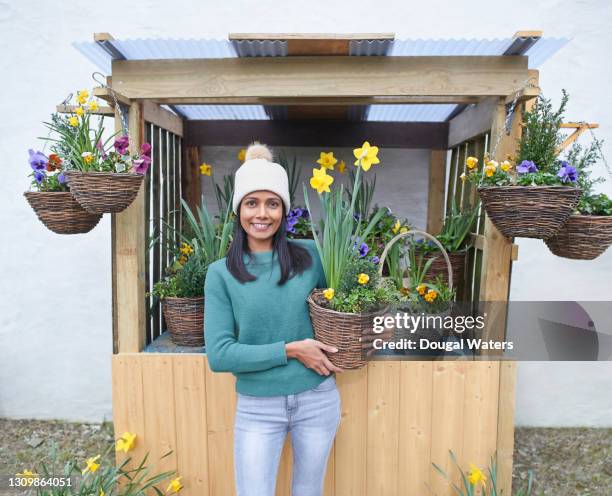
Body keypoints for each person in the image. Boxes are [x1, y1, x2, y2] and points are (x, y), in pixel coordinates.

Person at [204, 142, 343, 496]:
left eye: (272, 203)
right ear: (238, 210)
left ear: (283, 209)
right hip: (257, 407)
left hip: (317, 398)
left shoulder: (312, 256)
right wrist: (292, 350)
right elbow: (220, 356)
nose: (261, 213)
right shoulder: (220, 274)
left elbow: (343, 309)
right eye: (252, 203)